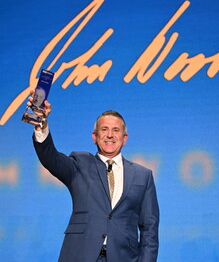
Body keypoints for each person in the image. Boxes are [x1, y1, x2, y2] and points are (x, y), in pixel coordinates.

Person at [26, 92, 159, 262]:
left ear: (124, 139)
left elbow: (150, 229)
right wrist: (41, 124)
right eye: (104, 129)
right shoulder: (80, 164)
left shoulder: (143, 175)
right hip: (80, 254)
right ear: (94, 137)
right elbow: (50, 158)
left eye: (116, 130)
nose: (110, 135)